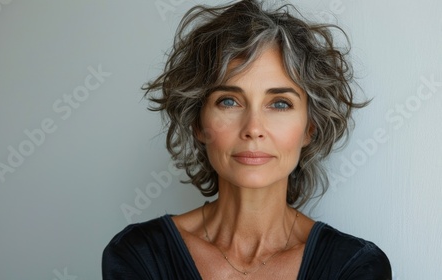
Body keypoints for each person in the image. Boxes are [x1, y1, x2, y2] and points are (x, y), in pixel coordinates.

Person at [102, 0, 391, 279]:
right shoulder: (139, 255)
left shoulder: (355, 266)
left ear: (309, 129)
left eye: (279, 104)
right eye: (229, 101)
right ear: (198, 122)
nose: (253, 128)